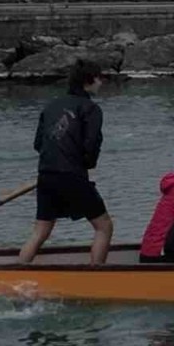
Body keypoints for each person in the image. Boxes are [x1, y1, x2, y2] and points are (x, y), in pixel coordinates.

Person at [18, 60, 113, 265]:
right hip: (72, 175)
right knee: (104, 226)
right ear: (88, 80)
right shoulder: (91, 108)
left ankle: (18, 271)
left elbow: (38, 144)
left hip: (46, 174)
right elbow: (91, 144)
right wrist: (87, 165)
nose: (101, 83)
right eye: (99, 78)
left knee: (41, 231)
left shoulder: (51, 106)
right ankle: (98, 275)